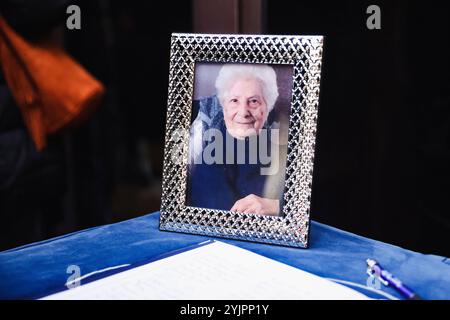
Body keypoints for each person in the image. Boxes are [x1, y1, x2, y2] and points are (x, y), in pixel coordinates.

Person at [186, 64, 288, 216]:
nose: (243, 112)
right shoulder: (214, 142)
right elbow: (211, 209)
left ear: (268, 105)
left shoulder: (288, 136)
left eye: (253, 101)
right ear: (224, 105)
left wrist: (276, 206)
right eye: (234, 100)